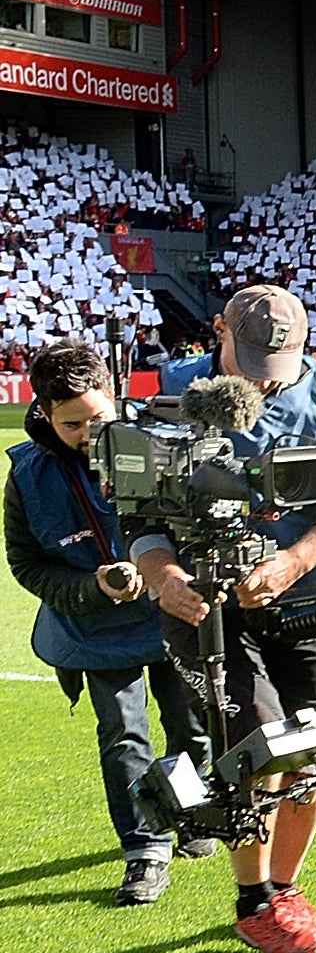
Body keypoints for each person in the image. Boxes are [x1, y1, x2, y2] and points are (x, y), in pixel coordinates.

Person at [134, 285, 316, 953]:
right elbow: (136, 511)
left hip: (301, 598)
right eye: (249, 362)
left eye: (278, 364)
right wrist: (164, 576)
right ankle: (252, 904)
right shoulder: (169, 393)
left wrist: (295, 562)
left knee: (312, 753)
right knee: (259, 746)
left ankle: (286, 889)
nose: (263, 380)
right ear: (218, 332)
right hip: (204, 606)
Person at [4, 339, 211, 905]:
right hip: (92, 629)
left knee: (191, 723)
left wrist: (171, 575)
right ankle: (144, 849)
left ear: (116, 395)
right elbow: (26, 563)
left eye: (99, 417)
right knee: (123, 734)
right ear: (43, 412)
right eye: (72, 423)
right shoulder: (26, 476)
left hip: (174, 612)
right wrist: (91, 586)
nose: (89, 433)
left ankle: (190, 813)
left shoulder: (166, 442)